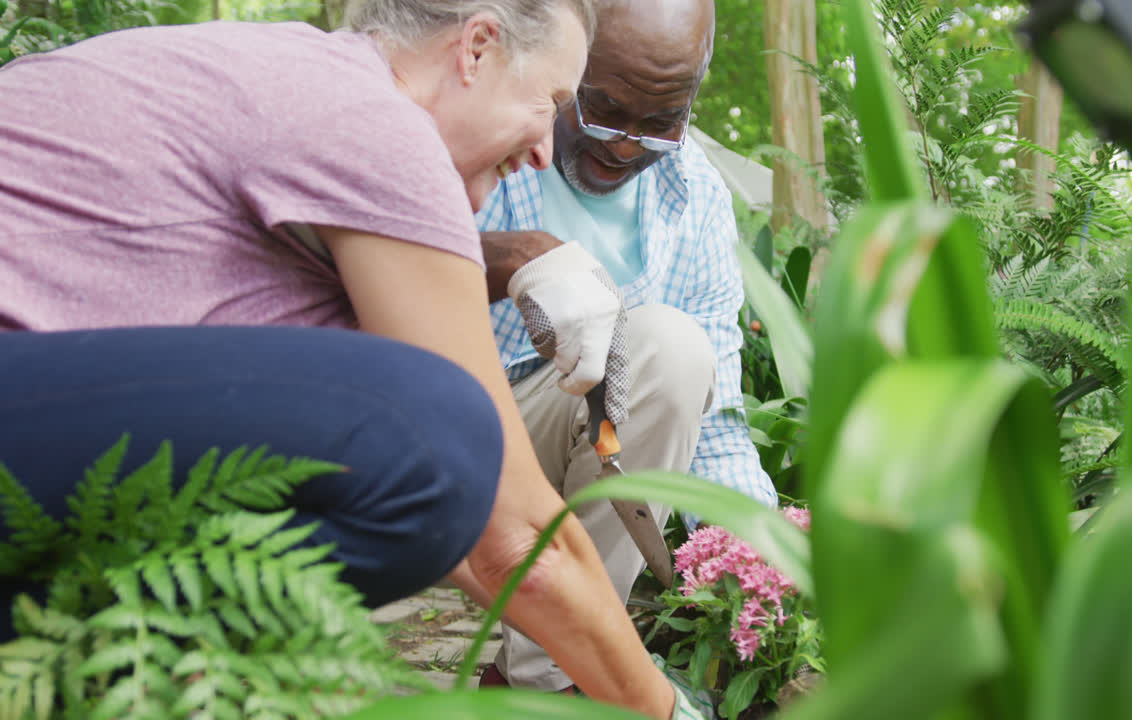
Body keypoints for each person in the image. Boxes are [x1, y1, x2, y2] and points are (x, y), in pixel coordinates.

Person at [0, 3, 704, 717]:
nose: (544, 153)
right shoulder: (371, 118)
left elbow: (458, 535)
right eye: (550, 104)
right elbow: (510, 533)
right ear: (478, 49)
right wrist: (667, 710)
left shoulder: (285, 82)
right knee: (438, 424)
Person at [475, 0, 779, 694]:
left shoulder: (695, 192)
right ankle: (571, 672)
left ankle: (538, 683)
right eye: (602, 109)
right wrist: (522, 259)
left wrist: (766, 550)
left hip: (594, 451)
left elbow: (717, 421)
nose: (624, 145)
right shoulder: (485, 128)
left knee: (670, 348)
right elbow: (383, 257)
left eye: (660, 123)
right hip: (455, 417)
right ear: (567, 60)